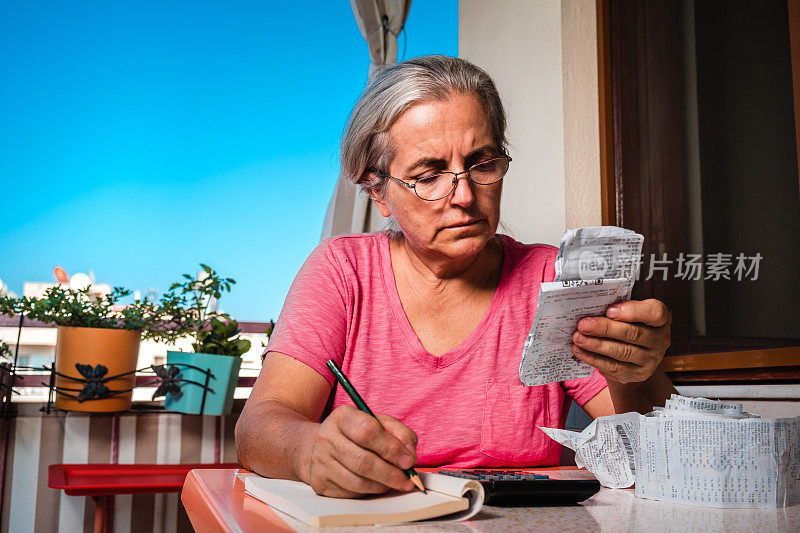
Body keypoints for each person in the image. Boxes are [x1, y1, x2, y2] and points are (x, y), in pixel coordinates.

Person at [235, 55, 676, 498]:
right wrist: (311, 451)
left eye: (482, 164)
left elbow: (653, 461)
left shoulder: (548, 277)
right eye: (428, 175)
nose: (464, 196)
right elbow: (259, 427)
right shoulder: (342, 271)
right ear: (378, 192)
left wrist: (636, 372)